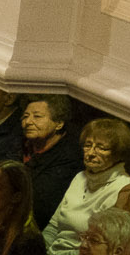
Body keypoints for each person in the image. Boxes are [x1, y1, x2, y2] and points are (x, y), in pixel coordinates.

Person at [42, 117, 130, 255]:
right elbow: (54, 225)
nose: (91, 153)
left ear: (118, 153)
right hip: (52, 254)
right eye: (88, 145)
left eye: (101, 148)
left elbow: (100, 248)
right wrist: (40, 250)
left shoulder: (123, 187)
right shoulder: (80, 177)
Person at [19, 95, 84, 230]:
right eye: (25, 116)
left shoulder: (69, 158)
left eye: (37, 116)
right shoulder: (20, 144)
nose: (28, 122)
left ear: (59, 124)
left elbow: (40, 206)